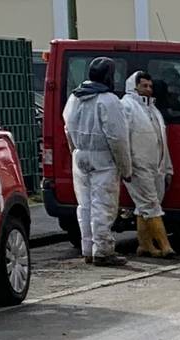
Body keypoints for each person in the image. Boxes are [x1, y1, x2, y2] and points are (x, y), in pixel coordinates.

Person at [64, 58, 135, 266]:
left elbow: (67, 128)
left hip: (80, 155)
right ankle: (103, 250)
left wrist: (74, 151)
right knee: (103, 205)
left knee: (84, 205)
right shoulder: (108, 100)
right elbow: (118, 138)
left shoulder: (74, 98)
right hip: (103, 157)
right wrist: (125, 168)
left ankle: (88, 249)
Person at [123, 70, 176, 259]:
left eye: (150, 86)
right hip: (138, 166)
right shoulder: (127, 107)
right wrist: (126, 166)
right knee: (151, 205)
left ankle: (145, 245)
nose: (148, 89)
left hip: (157, 166)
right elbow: (122, 140)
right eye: (144, 85)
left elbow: (162, 141)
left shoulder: (153, 110)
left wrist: (167, 168)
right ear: (134, 86)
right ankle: (165, 246)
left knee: (145, 207)